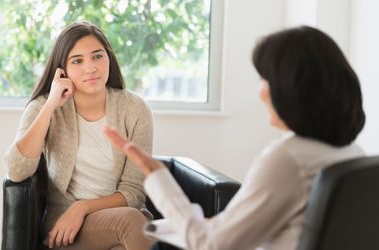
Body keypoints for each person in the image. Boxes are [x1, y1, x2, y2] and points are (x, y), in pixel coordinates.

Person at [104, 26, 366, 250]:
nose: (260, 92)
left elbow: (211, 245)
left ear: (290, 88)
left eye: (264, 78)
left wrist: (156, 174)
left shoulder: (288, 158)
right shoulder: (352, 152)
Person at [4, 21, 154, 250]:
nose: (90, 68)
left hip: (118, 222)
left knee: (129, 233)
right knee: (133, 223)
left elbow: (134, 191)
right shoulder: (44, 107)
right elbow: (16, 171)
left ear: (109, 58)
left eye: (97, 56)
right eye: (77, 61)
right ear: (61, 69)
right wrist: (50, 105)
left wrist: (82, 207)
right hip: (67, 230)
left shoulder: (135, 109)